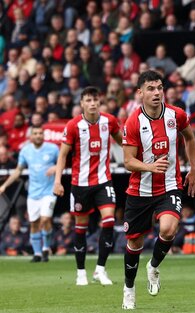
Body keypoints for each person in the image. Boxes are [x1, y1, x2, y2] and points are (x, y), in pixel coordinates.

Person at [121, 70, 195, 310]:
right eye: (151, 89)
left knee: (168, 229)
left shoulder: (176, 115)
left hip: (170, 186)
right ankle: (129, 288)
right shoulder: (133, 121)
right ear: (140, 93)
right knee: (134, 244)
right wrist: (150, 167)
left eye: (160, 88)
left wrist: (194, 169)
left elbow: (190, 138)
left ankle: (153, 267)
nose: (157, 93)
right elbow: (127, 161)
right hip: (139, 191)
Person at [53, 86, 123, 286]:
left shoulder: (109, 121)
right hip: (80, 184)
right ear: (82, 104)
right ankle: (81, 272)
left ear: (99, 102)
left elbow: (124, 143)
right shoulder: (74, 125)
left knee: (109, 221)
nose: (92, 104)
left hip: (103, 181)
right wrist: (58, 181)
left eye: (95, 100)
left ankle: (100, 270)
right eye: (88, 100)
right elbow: (63, 156)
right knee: (81, 228)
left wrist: (137, 160)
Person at [0, 126, 58, 262]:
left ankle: (45, 249)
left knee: (45, 219)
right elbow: (18, 170)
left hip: (49, 192)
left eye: (41, 133)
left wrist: (56, 167)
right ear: (31, 137)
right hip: (33, 193)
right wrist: (4, 185)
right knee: (34, 223)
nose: (38, 135)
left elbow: (64, 162)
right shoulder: (25, 151)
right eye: (36, 133)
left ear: (44, 135)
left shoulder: (53, 149)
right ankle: (37, 254)